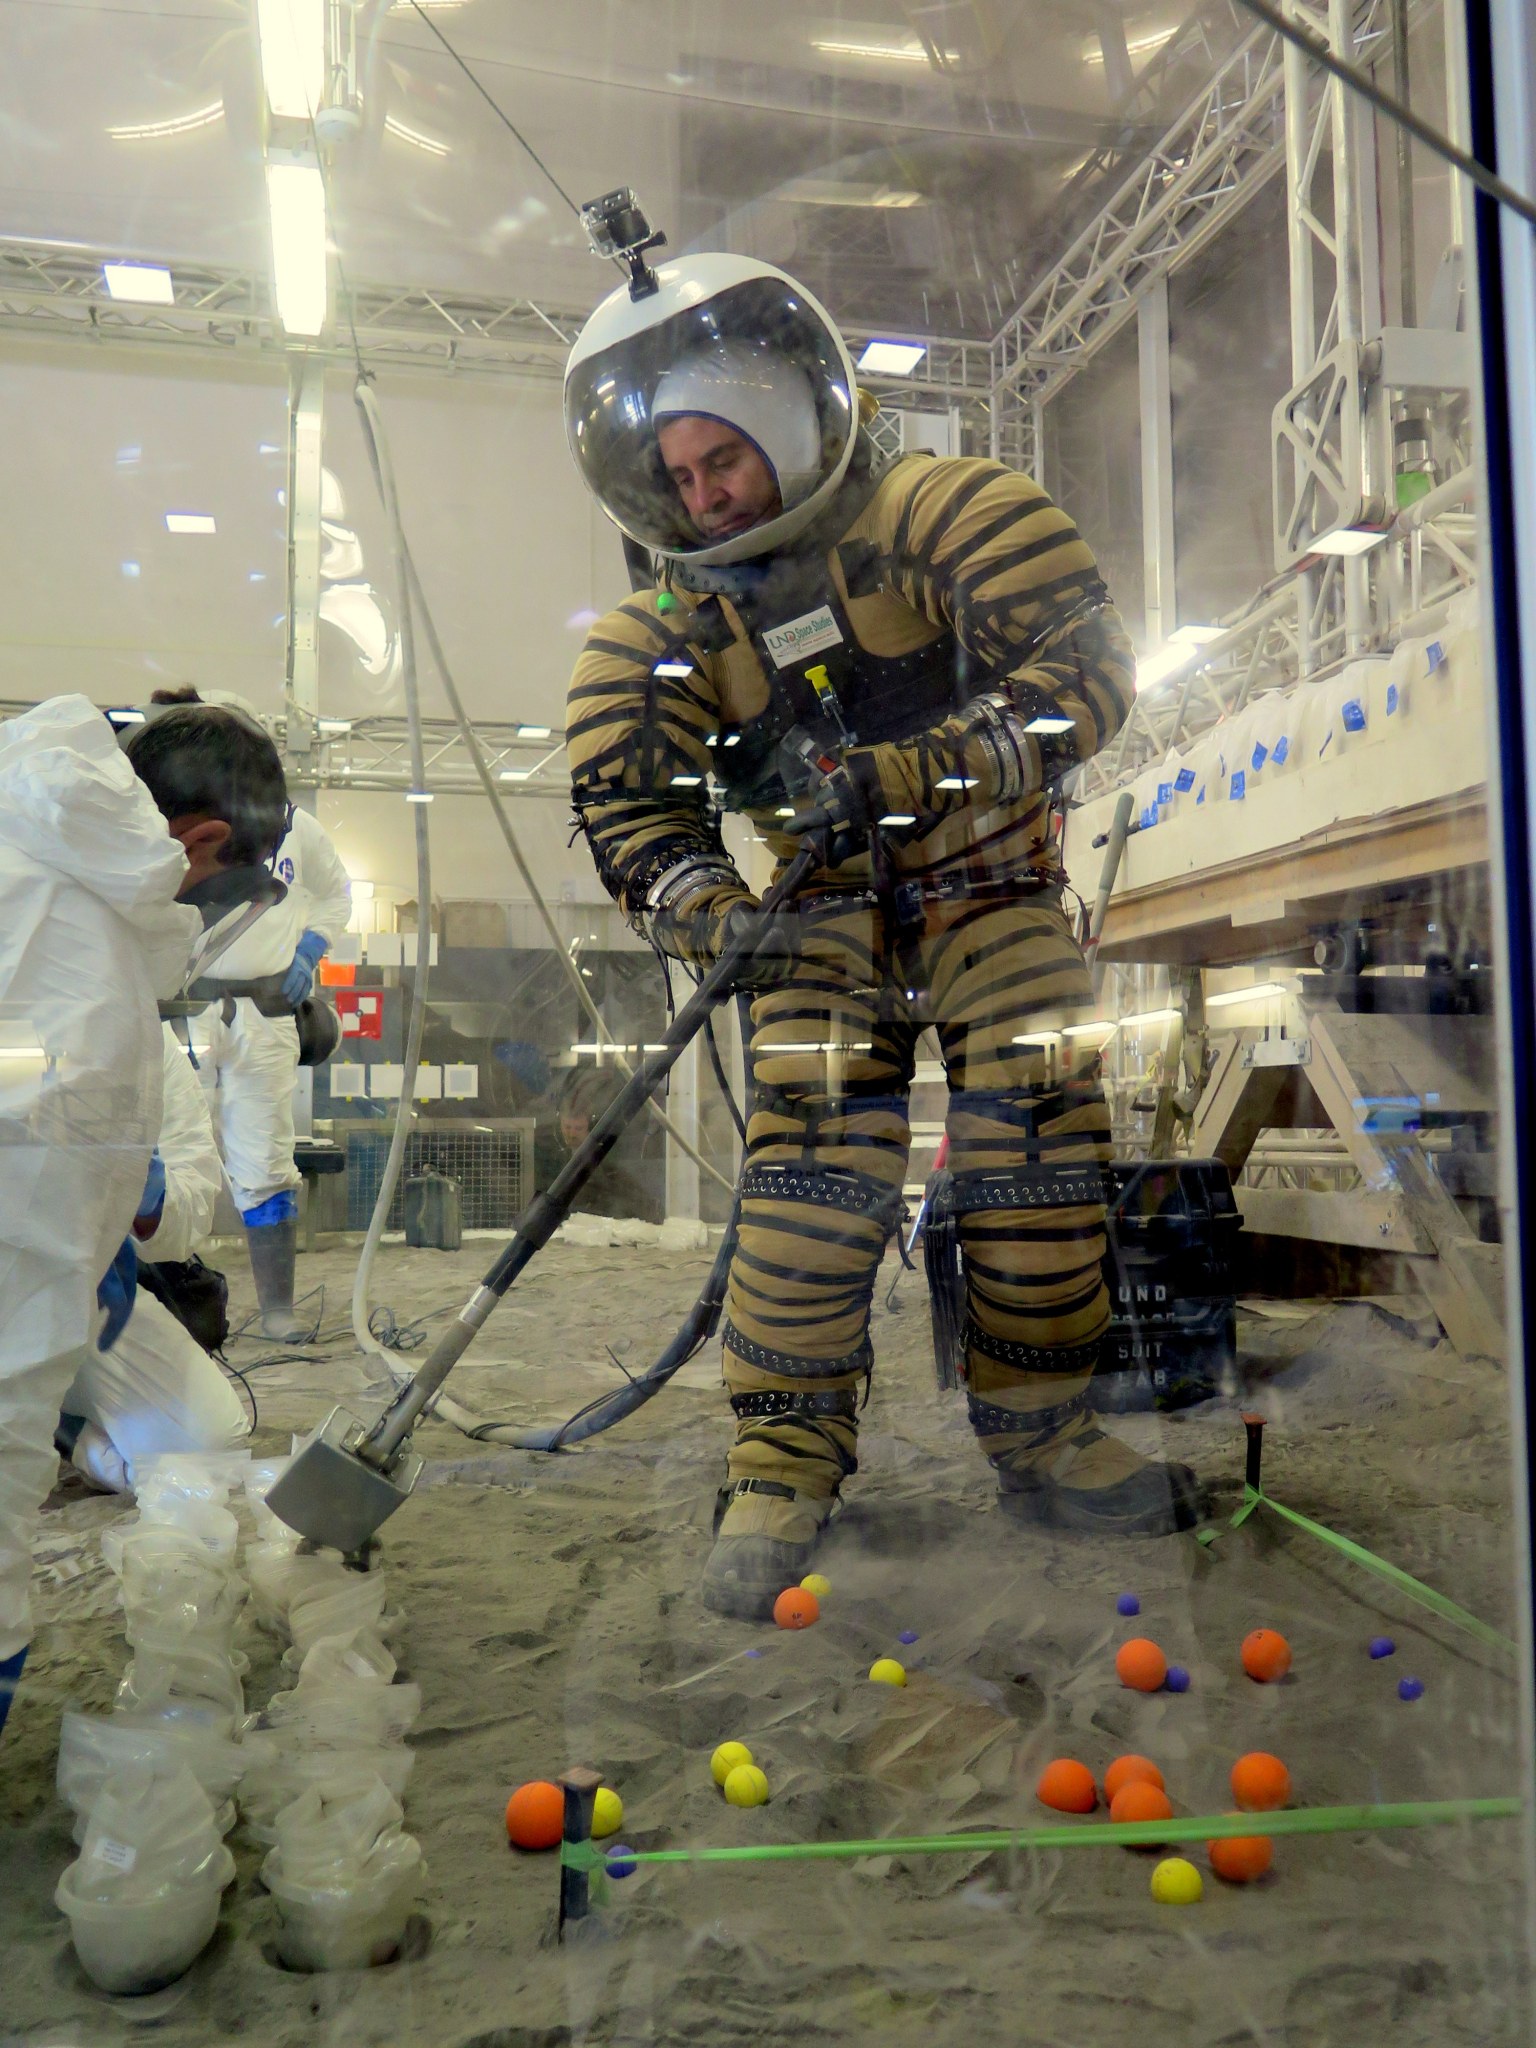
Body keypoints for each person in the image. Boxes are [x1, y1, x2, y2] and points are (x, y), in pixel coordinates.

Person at [562, 253, 1203, 1620]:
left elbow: (1082, 681)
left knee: (1037, 1137)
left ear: (787, 421)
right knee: (808, 1173)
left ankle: (1046, 1432)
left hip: (991, 884)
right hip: (815, 921)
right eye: (678, 478)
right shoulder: (667, 625)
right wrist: (707, 908)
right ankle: (781, 1462)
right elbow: (628, 803)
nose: (705, 493)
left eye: (722, 456)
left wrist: (920, 774)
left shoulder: (946, 514)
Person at [0, 693, 288, 1734]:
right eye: (214, 890)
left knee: (193, 1427)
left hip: (72, 1232)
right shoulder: (85, 943)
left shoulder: (33, 824)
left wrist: (125, 1200)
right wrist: (91, 1210)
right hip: (26, 1233)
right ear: (200, 839)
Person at [148, 688, 352, 1341]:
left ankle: (277, 1308)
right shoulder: (166, 822)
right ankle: (174, 1295)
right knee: (178, 1145)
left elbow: (335, 897)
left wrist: (311, 950)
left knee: (266, 1152)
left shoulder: (301, 831)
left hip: (266, 1010)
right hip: (189, 1009)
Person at [57, 1024, 250, 1493]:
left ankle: (60, 1428)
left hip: (81, 1290)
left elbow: (194, 1202)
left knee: (204, 1451)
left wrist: (147, 1206)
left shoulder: (142, 1038)